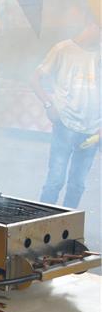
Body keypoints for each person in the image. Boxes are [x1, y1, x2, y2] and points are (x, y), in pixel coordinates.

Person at [31, 15, 100, 208]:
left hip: (92, 130)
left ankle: (67, 225)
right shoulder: (63, 49)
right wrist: (48, 105)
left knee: (77, 185)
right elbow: (35, 78)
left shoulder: (100, 54)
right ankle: (41, 222)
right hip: (66, 126)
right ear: (91, 24)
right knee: (55, 181)